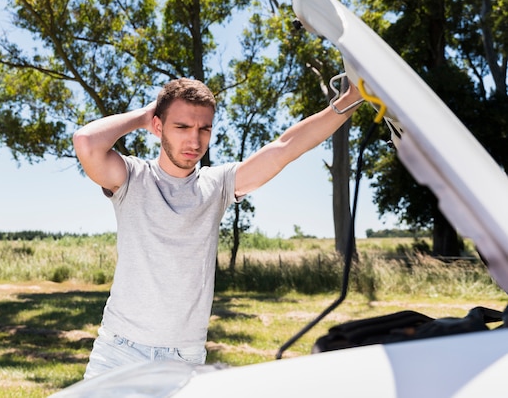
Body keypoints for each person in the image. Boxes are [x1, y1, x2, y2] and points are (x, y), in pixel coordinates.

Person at [73, 77, 362, 379]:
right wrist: (147, 114)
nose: (194, 141)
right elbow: (86, 142)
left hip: (184, 357)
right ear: (158, 128)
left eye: (204, 129)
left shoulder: (217, 185)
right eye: (182, 127)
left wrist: (349, 100)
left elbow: (285, 147)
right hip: (120, 350)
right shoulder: (131, 177)